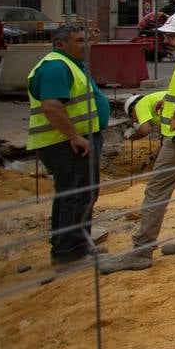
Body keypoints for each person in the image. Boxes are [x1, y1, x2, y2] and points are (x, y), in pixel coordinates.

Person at [99, 10, 175, 274]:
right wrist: (171, 101)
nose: (166, 39)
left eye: (171, 35)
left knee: (156, 189)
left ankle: (141, 251)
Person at [26, 24, 109, 267]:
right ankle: (68, 253)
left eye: (87, 40)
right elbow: (51, 106)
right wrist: (74, 136)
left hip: (77, 140)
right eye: (79, 40)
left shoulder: (70, 64)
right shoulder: (55, 67)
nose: (86, 45)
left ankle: (78, 246)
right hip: (65, 144)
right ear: (61, 44)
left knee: (81, 193)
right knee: (75, 195)